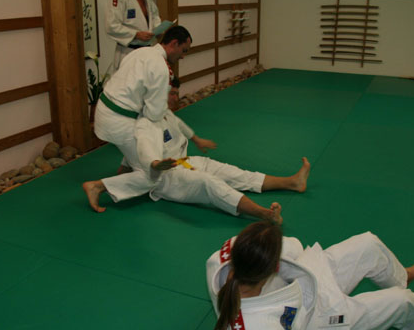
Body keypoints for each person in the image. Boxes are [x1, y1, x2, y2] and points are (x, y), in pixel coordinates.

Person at [206, 222, 414, 330]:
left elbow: (293, 251)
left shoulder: (226, 253)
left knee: (368, 244)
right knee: (399, 302)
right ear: (274, 268)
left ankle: (401, 276)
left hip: (306, 281)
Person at [84, 78, 311, 224]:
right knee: (209, 183)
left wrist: (196, 139)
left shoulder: (165, 114)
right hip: (167, 176)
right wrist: (155, 164)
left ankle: (291, 182)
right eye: (170, 93)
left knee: (233, 173)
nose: (175, 98)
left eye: (176, 93)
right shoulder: (145, 123)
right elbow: (144, 149)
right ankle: (264, 214)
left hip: (186, 161)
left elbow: (180, 127)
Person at [94, 25, 191, 186]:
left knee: (144, 136)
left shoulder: (141, 51)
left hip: (104, 109)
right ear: (174, 43)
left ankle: (126, 168)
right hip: (119, 120)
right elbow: (153, 114)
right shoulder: (161, 67)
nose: (183, 56)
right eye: (184, 50)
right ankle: (98, 186)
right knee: (153, 173)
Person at [106, 0, 163, 70]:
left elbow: (154, 15)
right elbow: (112, 26)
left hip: (147, 49)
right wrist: (136, 34)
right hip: (128, 52)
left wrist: (158, 28)